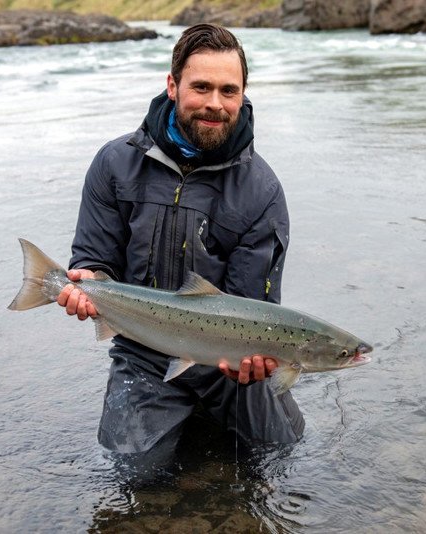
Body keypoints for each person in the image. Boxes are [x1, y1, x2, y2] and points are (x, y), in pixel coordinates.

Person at [56, 23, 304, 456]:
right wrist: (87, 283)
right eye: (201, 87)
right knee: (137, 477)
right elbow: (96, 261)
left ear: (244, 94)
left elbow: (253, 306)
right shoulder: (115, 163)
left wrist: (258, 361)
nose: (215, 104)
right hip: (143, 354)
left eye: (229, 91)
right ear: (172, 85)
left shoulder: (263, 191)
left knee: (281, 456)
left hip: (227, 365)